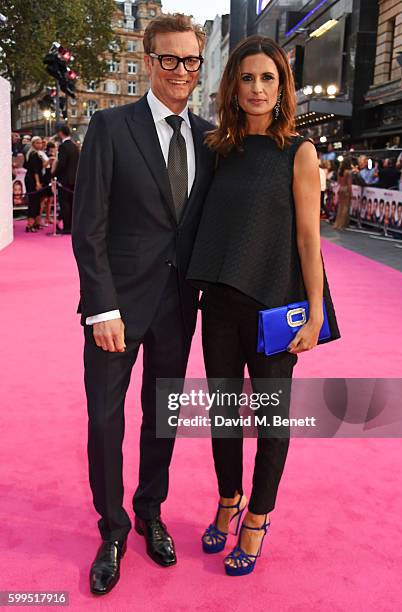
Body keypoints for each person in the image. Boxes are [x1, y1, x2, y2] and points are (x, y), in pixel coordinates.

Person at [72, 13, 214, 595]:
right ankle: (111, 527)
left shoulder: (210, 136)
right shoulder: (110, 126)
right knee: (106, 419)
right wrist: (101, 306)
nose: (181, 71)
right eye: (169, 59)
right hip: (118, 307)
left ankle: (150, 511)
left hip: (179, 305)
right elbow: (89, 226)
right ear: (149, 60)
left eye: (191, 61)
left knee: (163, 418)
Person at [187, 35, 340, 577]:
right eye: (247, 78)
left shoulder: (299, 152)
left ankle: (257, 515)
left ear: (282, 88)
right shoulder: (219, 149)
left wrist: (315, 310)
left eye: (267, 79)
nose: (256, 88)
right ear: (234, 85)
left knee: (272, 419)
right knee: (224, 414)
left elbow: (307, 237)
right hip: (220, 307)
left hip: (274, 307)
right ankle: (228, 498)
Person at [52, 124, 79, 234]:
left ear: (60, 133)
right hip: (74, 179)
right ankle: (72, 226)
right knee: (72, 203)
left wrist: (54, 174)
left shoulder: (63, 147)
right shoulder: (74, 146)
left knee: (65, 203)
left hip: (65, 180)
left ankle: (67, 227)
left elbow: (62, 164)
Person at [23, 136, 47, 232]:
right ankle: (29, 225)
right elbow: (35, 170)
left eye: (41, 143)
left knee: (37, 201)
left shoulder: (37, 154)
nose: (40, 144)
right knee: (33, 202)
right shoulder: (33, 154)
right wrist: (37, 182)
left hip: (34, 179)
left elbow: (40, 167)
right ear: (33, 144)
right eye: (37, 143)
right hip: (32, 180)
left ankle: (36, 223)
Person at [333, 158, 353, 230]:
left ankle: (337, 224)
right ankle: (342, 224)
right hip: (346, 189)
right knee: (345, 207)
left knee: (340, 207)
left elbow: (338, 181)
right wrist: (351, 193)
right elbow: (349, 184)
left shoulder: (339, 171)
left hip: (340, 188)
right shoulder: (348, 172)